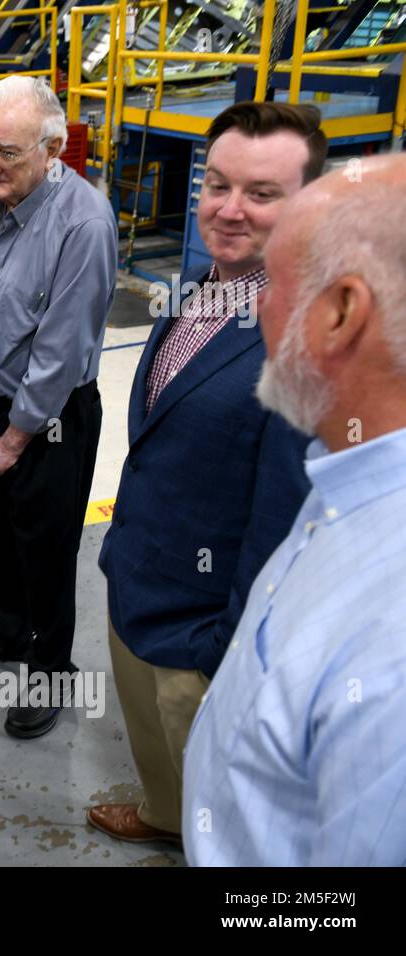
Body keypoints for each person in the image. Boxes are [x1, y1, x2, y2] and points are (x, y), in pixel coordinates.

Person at [87, 103, 323, 848]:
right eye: (217, 185)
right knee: (159, 754)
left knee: (223, 811)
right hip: (139, 582)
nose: (228, 209)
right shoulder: (204, 285)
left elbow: (284, 529)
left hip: (201, 634)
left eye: (261, 194)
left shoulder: (304, 348)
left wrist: (220, 654)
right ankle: (162, 817)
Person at [182, 154, 406, 866]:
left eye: (274, 283)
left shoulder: (390, 659)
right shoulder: (347, 472)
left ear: (341, 313)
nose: (254, 307)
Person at [0, 76, 116, 739]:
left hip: (49, 419)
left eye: (5, 153)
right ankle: (5, 632)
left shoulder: (84, 224)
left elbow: (61, 353)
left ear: (54, 149)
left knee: (44, 545)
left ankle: (47, 667)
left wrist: (13, 440)